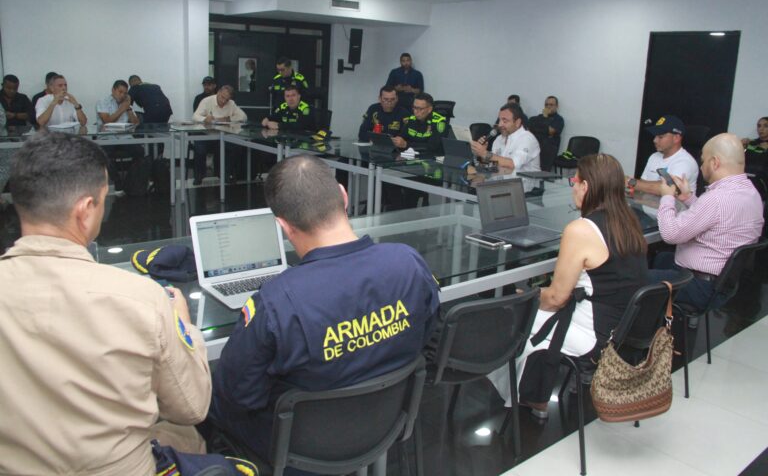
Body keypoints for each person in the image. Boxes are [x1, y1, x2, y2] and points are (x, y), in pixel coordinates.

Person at [0, 133, 212, 474]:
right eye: (102, 200)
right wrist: (185, 327)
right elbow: (192, 406)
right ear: (85, 211)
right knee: (187, 433)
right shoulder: (141, 298)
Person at [206, 154, 441, 459]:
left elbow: (237, 394)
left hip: (301, 448)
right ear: (343, 196)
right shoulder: (409, 262)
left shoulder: (277, 301)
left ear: (284, 227)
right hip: (387, 425)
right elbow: (426, 333)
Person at [488, 153, 649, 418]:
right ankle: (533, 390)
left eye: (574, 180)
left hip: (593, 335)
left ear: (586, 187)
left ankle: (530, 397)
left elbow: (556, 298)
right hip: (623, 329)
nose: (572, 186)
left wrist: (526, 295)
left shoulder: (581, 229)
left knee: (511, 316)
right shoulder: (629, 221)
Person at [649, 133, 764, 312]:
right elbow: (718, 219)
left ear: (715, 163)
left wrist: (667, 196)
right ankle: (661, 320)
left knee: (631, 279)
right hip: (723, 285)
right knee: (662, 258)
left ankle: (641, 330)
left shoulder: (716, 198)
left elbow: (670, 234)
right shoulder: (751, 193)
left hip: (698, 287)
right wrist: (688, 198)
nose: (701, 167)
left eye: (703, 161)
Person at [626, 115, 699, 196]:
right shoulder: (654, 156)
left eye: (660, 137)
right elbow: (642, 185)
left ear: (676, 138)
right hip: (648, 206)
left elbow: (669, 189)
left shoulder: (685, 162)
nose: (655, 140)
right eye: (655, 136)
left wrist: (629, 181)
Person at [95, 79, 143, 187]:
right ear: (113, 90)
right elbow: (107, 121)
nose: (122, 95)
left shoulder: (126, 104)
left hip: (124, 136)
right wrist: (122, 109)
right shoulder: (103, 102)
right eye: (120, 92)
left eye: (125, 93)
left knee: (140, 151)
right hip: (107, 136)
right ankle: (117, 180)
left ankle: (130, 179)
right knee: (104, 154)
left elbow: (136, 123)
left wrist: (129, 108)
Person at [471, 102, 540, 173]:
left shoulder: (527, 139)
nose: (500, 124)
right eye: (499, 120)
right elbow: (495, 164)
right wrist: (480, 154)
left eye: (505, 121)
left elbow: (512, 164)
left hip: (524, 183)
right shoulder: (499, 139)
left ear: (517, 122)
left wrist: (485, 154)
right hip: (501, 181)